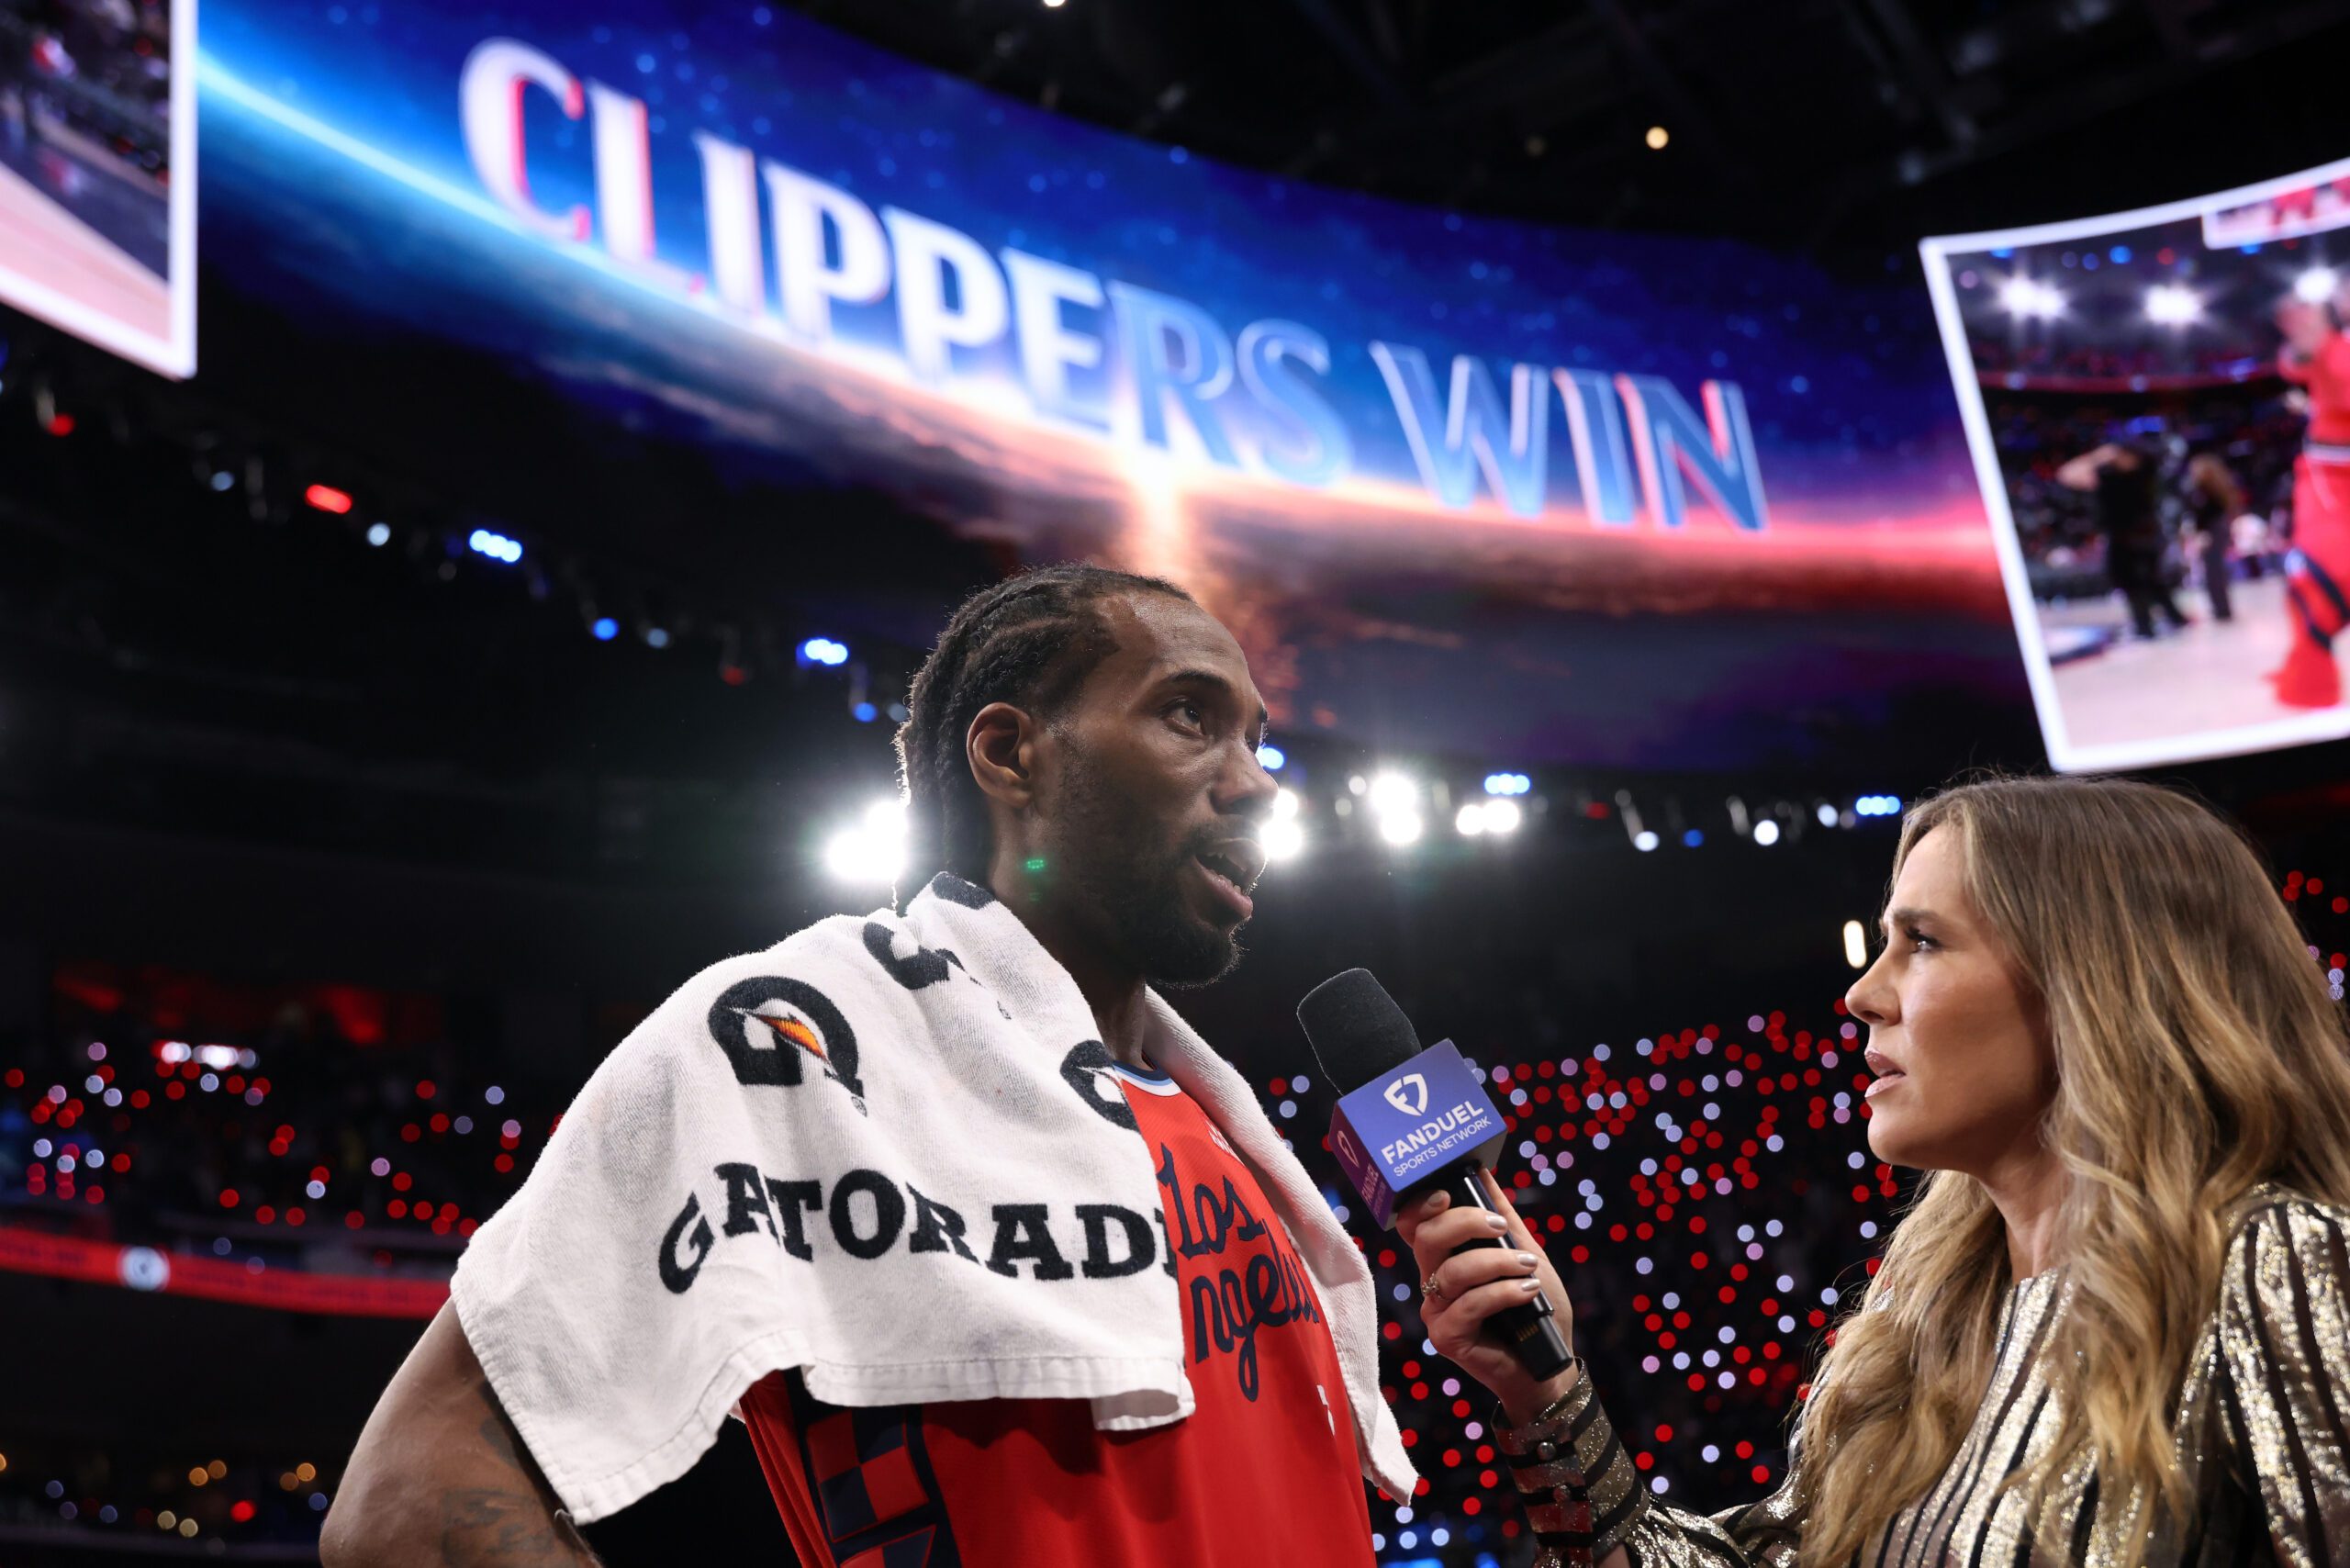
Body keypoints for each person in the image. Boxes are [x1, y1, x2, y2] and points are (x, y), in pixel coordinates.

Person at [320, 564, 1454, 1567]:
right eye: (1190, 716)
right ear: (1010, 752)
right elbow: (408, 1508)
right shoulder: (788, 1041)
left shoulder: (1231, 1141)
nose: (1256, 782)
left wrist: (1551, 1420)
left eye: (1258, 737)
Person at [1404, 774, 2350, 1567]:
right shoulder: (1921, 1323)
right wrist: (1547, 1390)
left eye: (1923, 941)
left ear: (2093, 983)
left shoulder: (2275, 1262)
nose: (1862, 993)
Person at [2270, 297, 2350, 706]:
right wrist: (2307, 344)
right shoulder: (2330, 340)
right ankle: (2309, 671)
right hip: (2328, 475)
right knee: (2314, 574)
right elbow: (2293, 363)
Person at [2055, 439, 2187, 639]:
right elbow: (2066, 475)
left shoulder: (2145, 473)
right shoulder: (2109, 477)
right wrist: (2098, 456)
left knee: (2148, 582)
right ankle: (2153, 624)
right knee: (2135, 584)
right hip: (2121, 539)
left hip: (2144, 537)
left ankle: (2160, 623)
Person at [2181, 451, 2245, 622]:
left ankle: (2221, 609)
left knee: (2213, 572)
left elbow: (2204, 515)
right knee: (2214, 572)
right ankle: (2221, 608)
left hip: (2212, 531)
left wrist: (2202, 533)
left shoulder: (2206, 490)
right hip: (2216, 530)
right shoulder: (2217, 488)